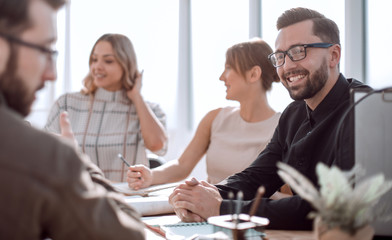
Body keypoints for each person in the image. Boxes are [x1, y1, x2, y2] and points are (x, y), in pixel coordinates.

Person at [168, 7, 370, 230]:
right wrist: (202, 195)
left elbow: (328, 206)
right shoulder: (293, 114)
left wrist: (222, 209)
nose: (287, 66)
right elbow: (256, 177)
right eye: (280, 56)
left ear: (333, 55)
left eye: (299, 51)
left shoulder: (364, 110)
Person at [0, 0, 145, 238]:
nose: (51, 73)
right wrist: (75, 159)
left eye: (108, 60)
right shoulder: (43, 155)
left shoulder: (140, 108)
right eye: (44, 50)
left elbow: (159, 143)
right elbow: (129, 234)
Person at [127, 38, 283, 194]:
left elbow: (286, 192)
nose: (222, 77)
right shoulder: (214, 118)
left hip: (254, 215)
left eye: (228, 68)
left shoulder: (283, 126)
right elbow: (182, 165)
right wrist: (151, 175)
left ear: (254, 74)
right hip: (210, 213)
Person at [45, 33, 168, 182]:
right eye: (94, 59)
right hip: (77, 198)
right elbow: (45, 152)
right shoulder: (66, 103)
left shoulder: (147, 110)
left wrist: (136, 96)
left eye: (108, 61)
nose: (97, 66)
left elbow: (157, 145)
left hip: (124, 200)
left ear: (126, 64)